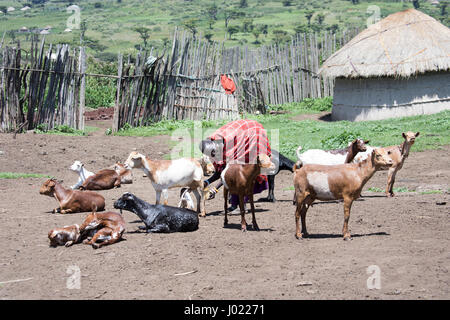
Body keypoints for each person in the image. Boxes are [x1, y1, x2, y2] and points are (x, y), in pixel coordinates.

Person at [199, 119, 271, 212]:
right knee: (235, 176)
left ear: (215, 147)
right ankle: (235, 205)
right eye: (212, 155)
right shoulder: (216, 147)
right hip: (242, 134)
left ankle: (242, 206)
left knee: (242, 174)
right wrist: (207, 182)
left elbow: (227, 173)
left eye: (214, 153)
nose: (214, 156)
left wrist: (215, 189)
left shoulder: (229, 147)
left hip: (252, 134)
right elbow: (220, 171)